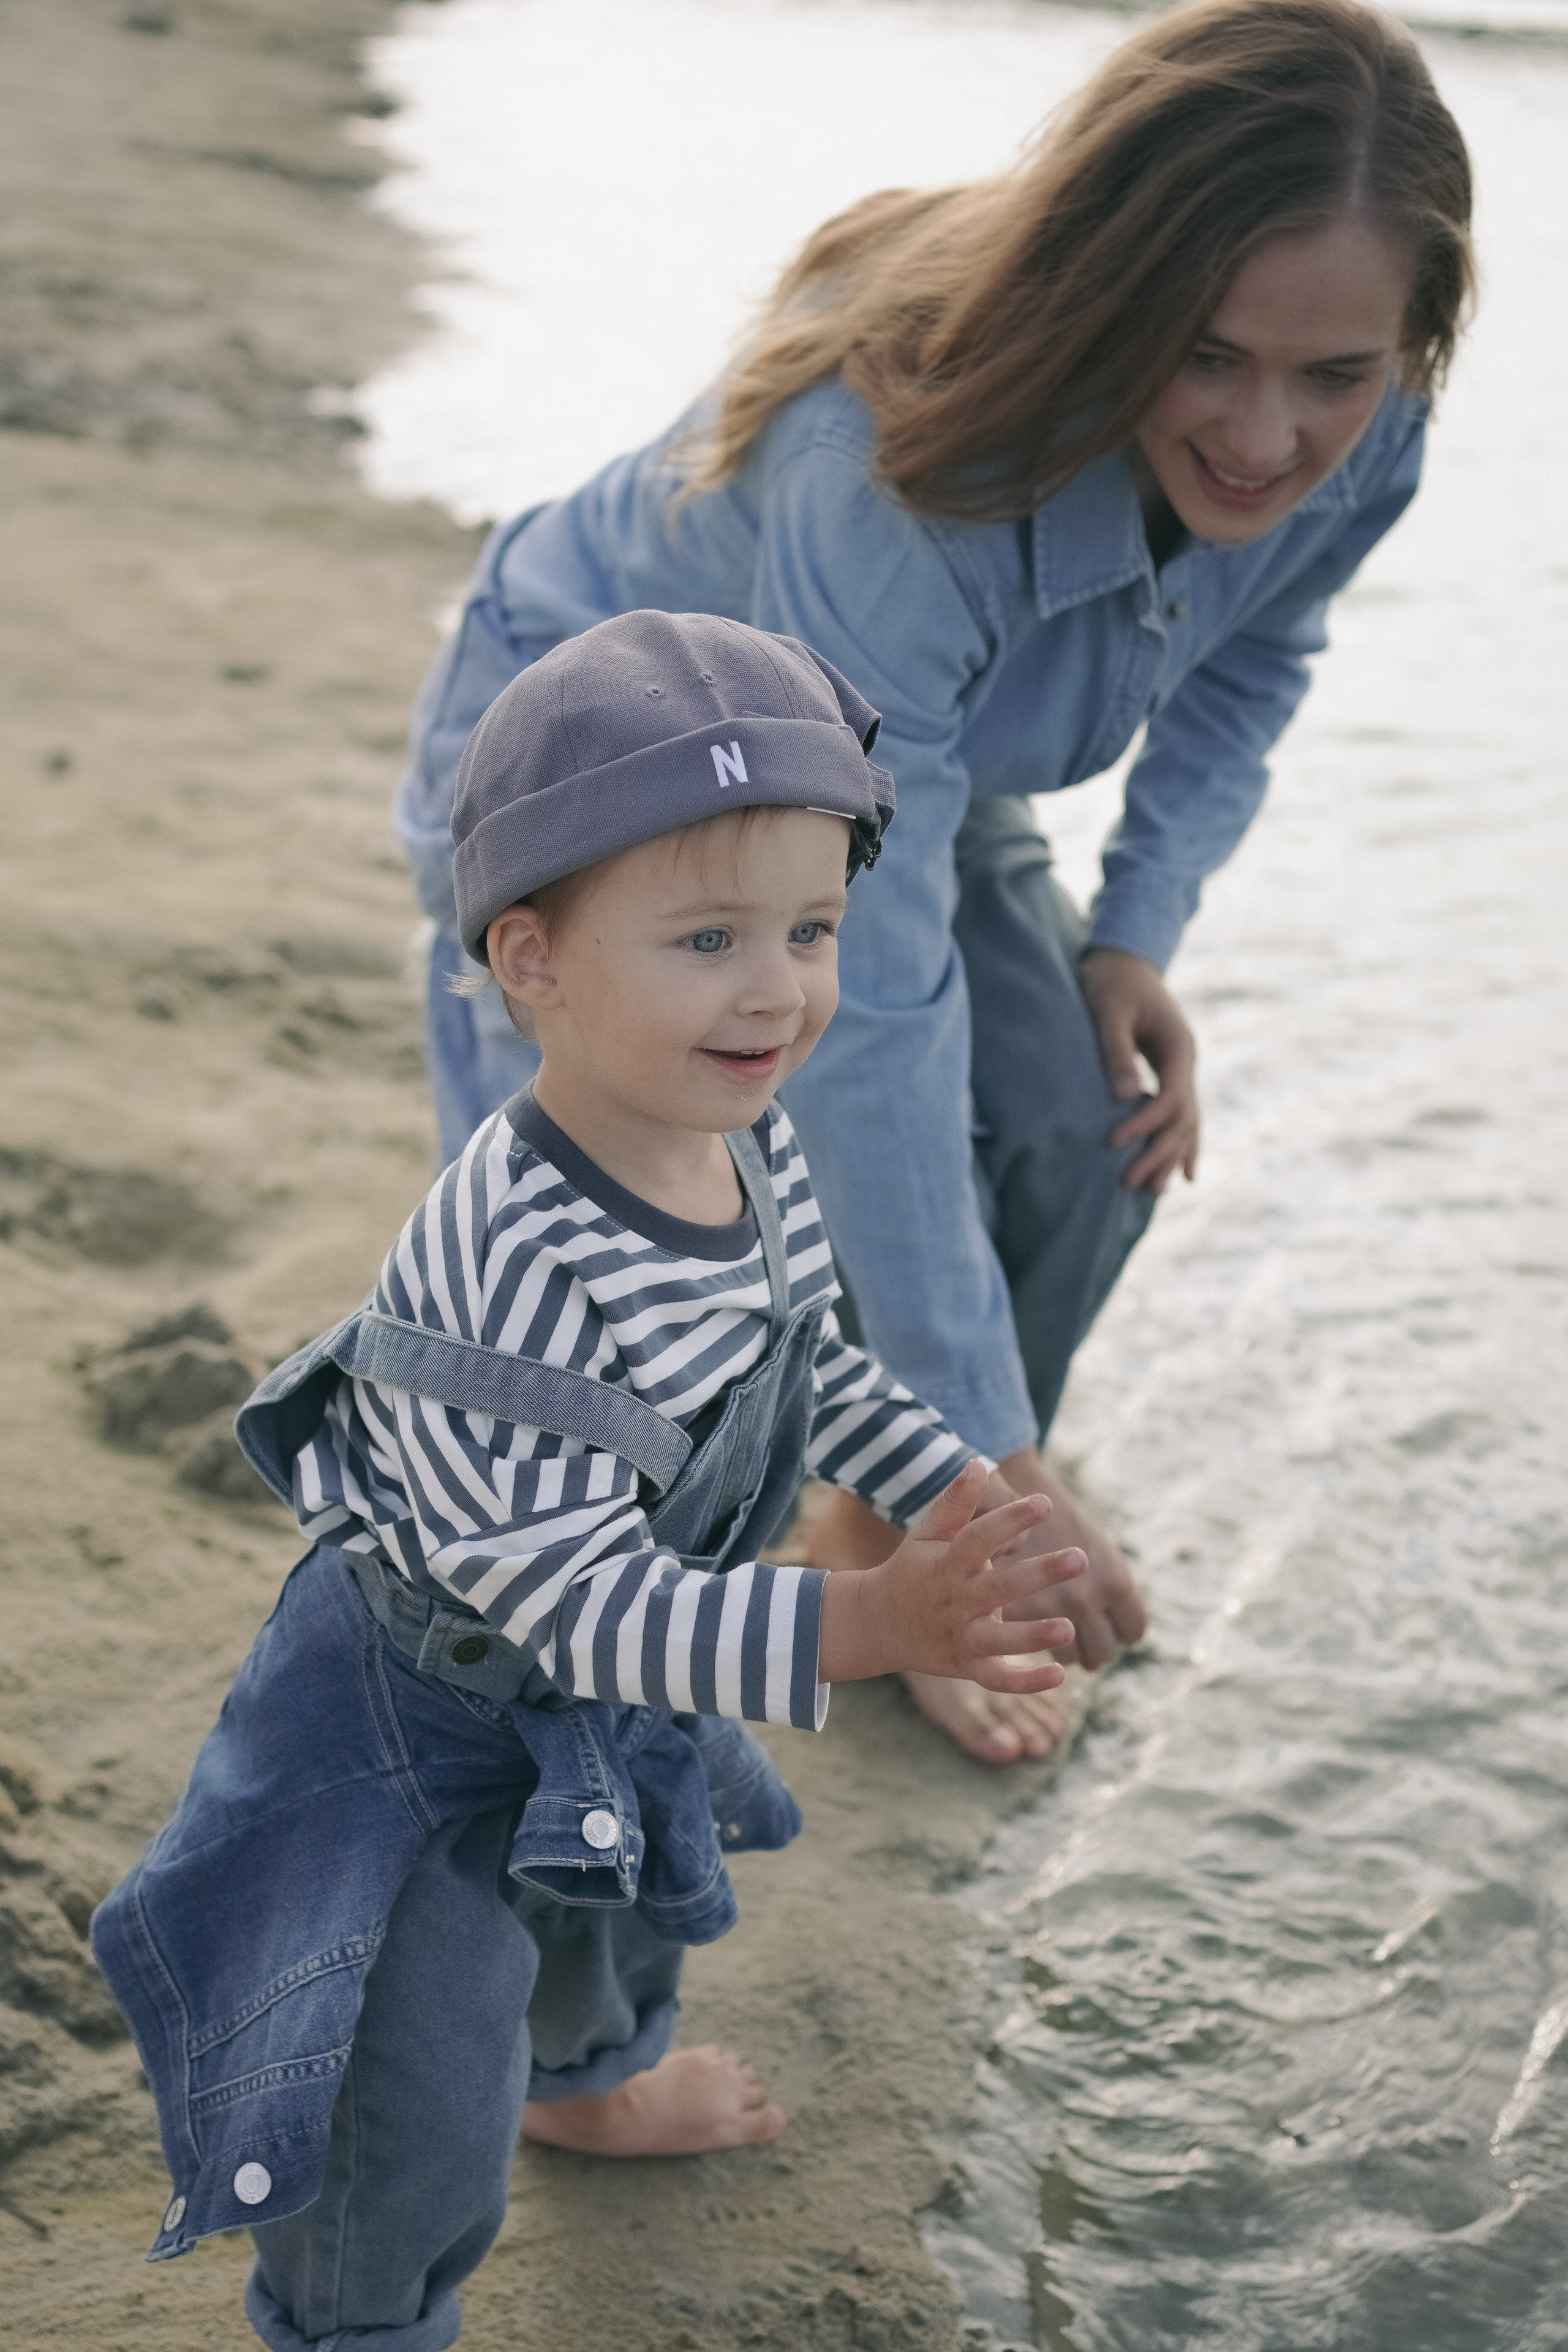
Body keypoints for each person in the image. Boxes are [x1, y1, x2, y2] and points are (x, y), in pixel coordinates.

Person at [392, 0, 1474, 1762]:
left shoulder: (1378, 419)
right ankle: (884, 1535)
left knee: (1077, 1132)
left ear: (1402, 345)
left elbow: (1262, 658)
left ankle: (888, 1543)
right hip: (604, 747)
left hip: (910, 759)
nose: (1272, 436)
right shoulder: (892, 472)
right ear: (1118, 297)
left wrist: (1135, 931)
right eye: (1207, 357)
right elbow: (872, 1017)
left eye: (1332, 376)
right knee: (621, 1287)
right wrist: (999, 1463)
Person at [91, 610, 1090, 2352]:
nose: (778, 988)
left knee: (620, 1895)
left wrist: (953, 1492)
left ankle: (593, 2083)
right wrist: (866, 1619)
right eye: (709, 938)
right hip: (431, 1705)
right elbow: (573, 1601)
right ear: (530, 963)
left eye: (811, 928)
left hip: (621, 1668)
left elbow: (806, 1357)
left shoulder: (740, 1129)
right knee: (408, 2082)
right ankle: (356, 2323)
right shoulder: (517, 1254)